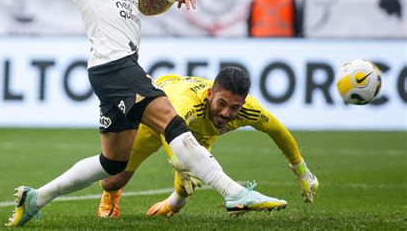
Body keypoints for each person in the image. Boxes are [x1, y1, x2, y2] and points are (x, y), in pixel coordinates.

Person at [0, 0, 286, 227]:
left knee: (113, 162)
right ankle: (235, 192)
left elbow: (149, 5)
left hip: (113, 70)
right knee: (173, 124)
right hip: (115, 65)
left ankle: (36, 198)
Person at [97, 68, 319, 218]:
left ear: (242, 103)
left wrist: (303, 171)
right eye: (221, 103)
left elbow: (277, 130)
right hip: (157, 118)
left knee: (187, 188)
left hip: (197, 133)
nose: (225, 113)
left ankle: (168, 207)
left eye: (234, 107)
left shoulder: (249, 109)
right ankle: (111, 196)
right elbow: (169, 129)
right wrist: (178, 161)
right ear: (210, 94)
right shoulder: (188, 103)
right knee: (114, 177)